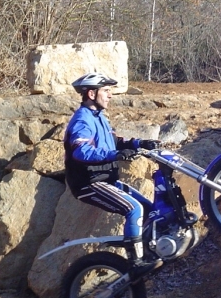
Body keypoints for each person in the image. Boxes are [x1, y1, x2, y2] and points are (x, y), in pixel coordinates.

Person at [63, 72, 163, 278]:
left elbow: (114, 141)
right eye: (106, 91)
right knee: (134, 209)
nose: (110, 95)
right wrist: (114, 155)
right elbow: (80, 151)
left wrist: (139, 143)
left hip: (105, 179)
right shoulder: (82, 119)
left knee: (148, 208)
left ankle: (149, 251)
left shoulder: (99, 117)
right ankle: (135, 263)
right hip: (88, 183)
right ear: (91, 94)